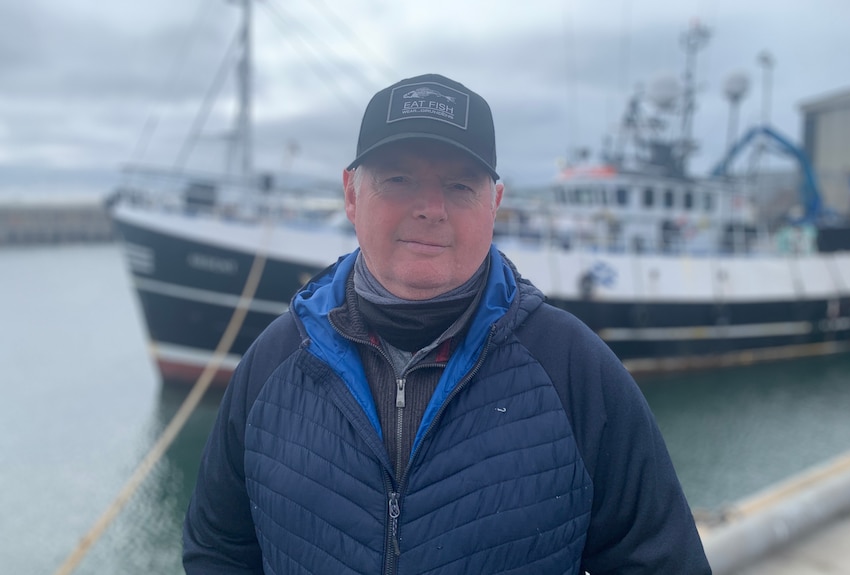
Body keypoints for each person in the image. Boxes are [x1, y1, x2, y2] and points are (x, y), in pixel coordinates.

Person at [183, 73, 712, 574]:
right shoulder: (271, 362)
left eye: (460, 186)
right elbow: (216, 548)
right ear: (350, 192)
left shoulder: (576, 371)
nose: (431, 208)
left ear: (495, 203)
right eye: (398, 179)